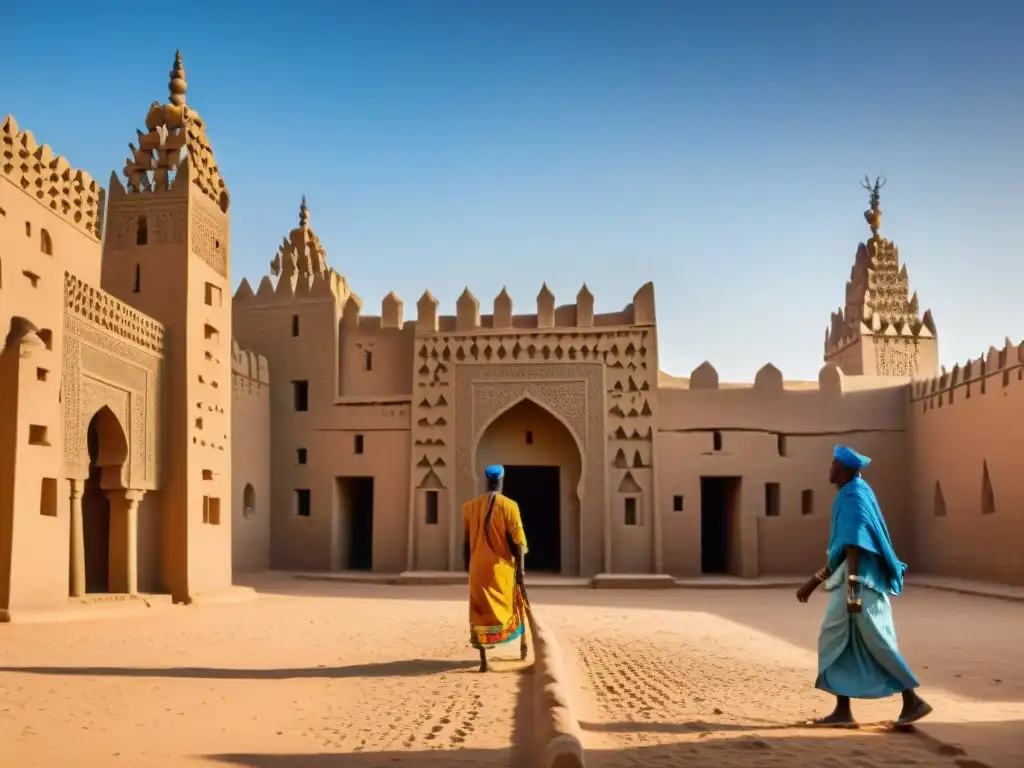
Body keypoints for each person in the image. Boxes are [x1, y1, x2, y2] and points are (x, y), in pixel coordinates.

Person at [796, 445, 933, 728]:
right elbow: (844, 550)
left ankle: (913, 701)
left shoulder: (855, 496)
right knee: (840, 641)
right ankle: (843, 712)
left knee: (876, 640)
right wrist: (812, 583)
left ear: (843, 470)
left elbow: (856, 544)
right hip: (854, 577)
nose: (829, 469)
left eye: (833, 464)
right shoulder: (853, 493)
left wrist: (853, 590)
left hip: (861, 581)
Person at [463, 464, 529, 672]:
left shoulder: (469, 507)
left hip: (476, 567)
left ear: (485, 480)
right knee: (516, 605)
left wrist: (470, 566)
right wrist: (520, 570)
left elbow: (466, 542)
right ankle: (523, 646)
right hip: (500, 569)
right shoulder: (510, 506)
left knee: (479, 611)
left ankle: (484, 660)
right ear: (502, 480)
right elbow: (518, 543)